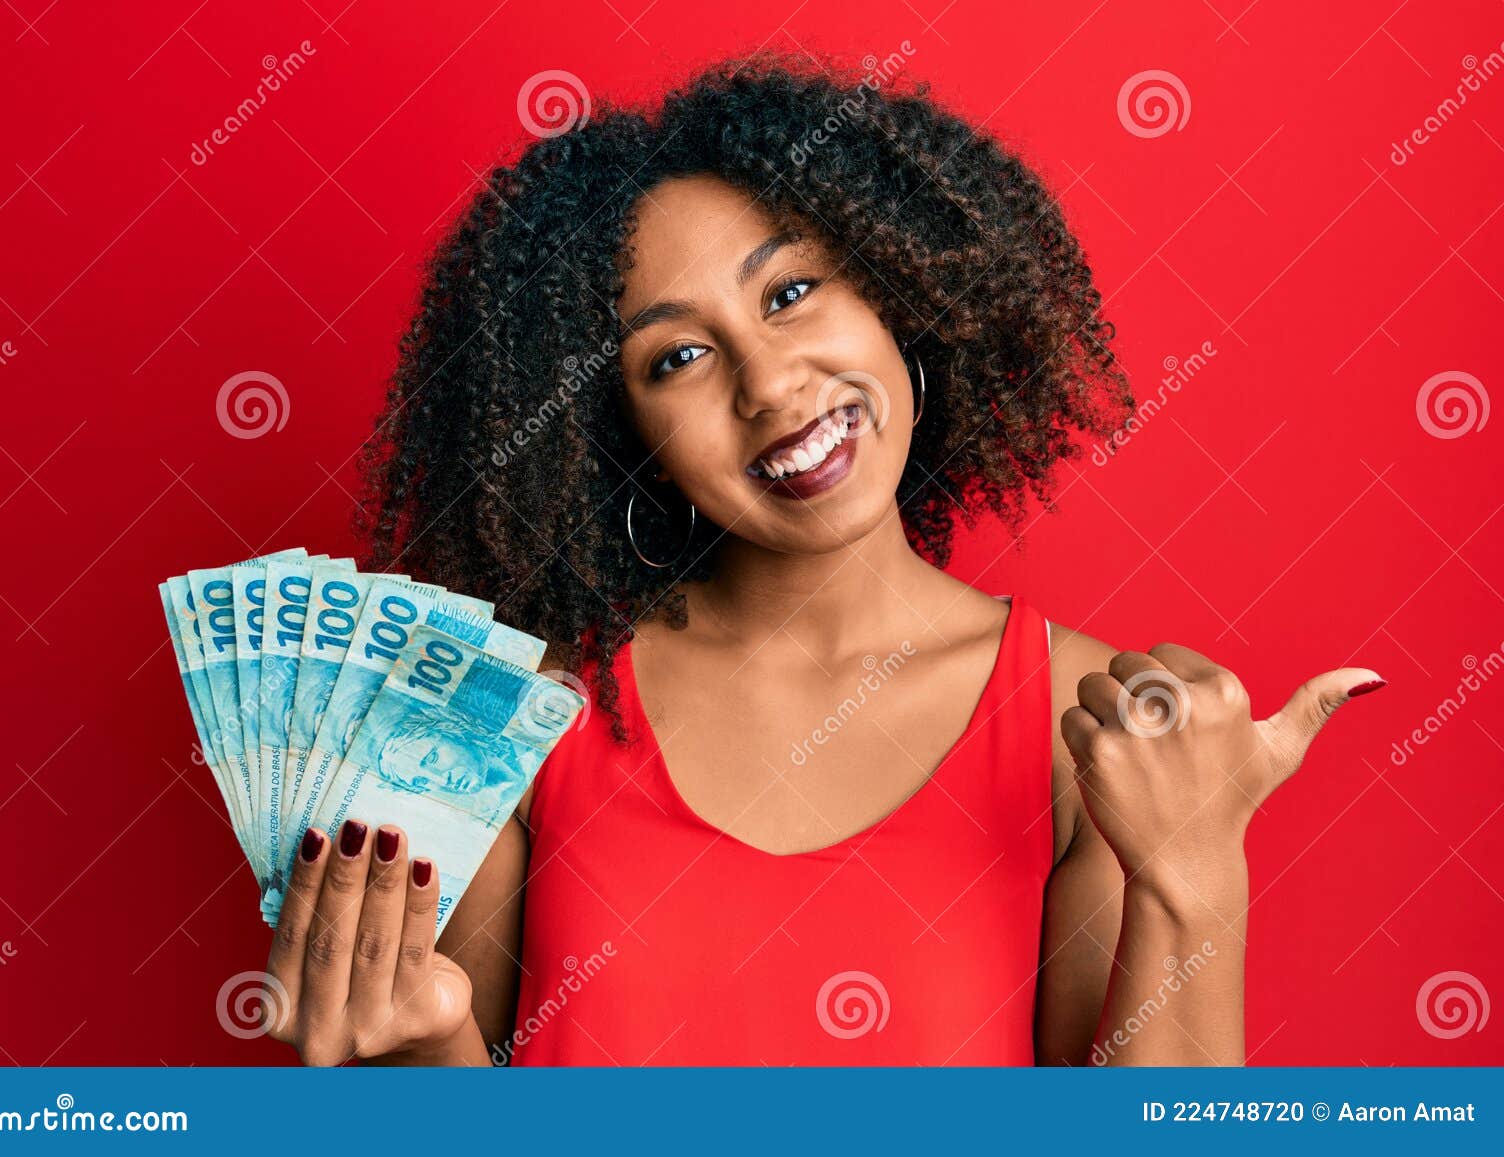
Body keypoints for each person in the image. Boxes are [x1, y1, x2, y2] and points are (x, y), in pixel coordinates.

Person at [260, 52, 1383, 1067]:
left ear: (898, 295)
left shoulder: (1081, 731)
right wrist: (418, 1045)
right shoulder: (521, 719)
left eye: (791, 293)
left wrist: (1192, 873)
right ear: (614, 433)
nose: (770, 384)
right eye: (678, 356)